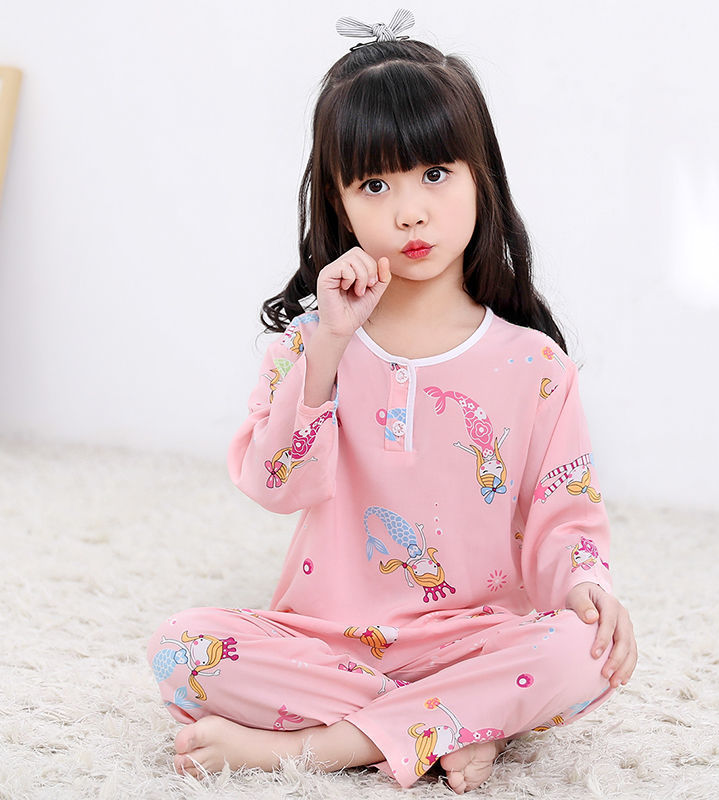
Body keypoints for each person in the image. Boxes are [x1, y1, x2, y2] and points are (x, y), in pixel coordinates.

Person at [146, 9, 638, 794]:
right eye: (375, 184)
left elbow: (565, 517)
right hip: (328, 640)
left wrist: (587, 588)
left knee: (585, 647)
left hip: (476, 640)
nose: (410, 211)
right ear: (338, 202)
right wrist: (330, 345)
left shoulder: (536, 366)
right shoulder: (310, 346)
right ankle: (453, 725)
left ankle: (323, 746)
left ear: (481, 175)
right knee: (180, 648)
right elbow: (274, 485)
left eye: (435, 173)